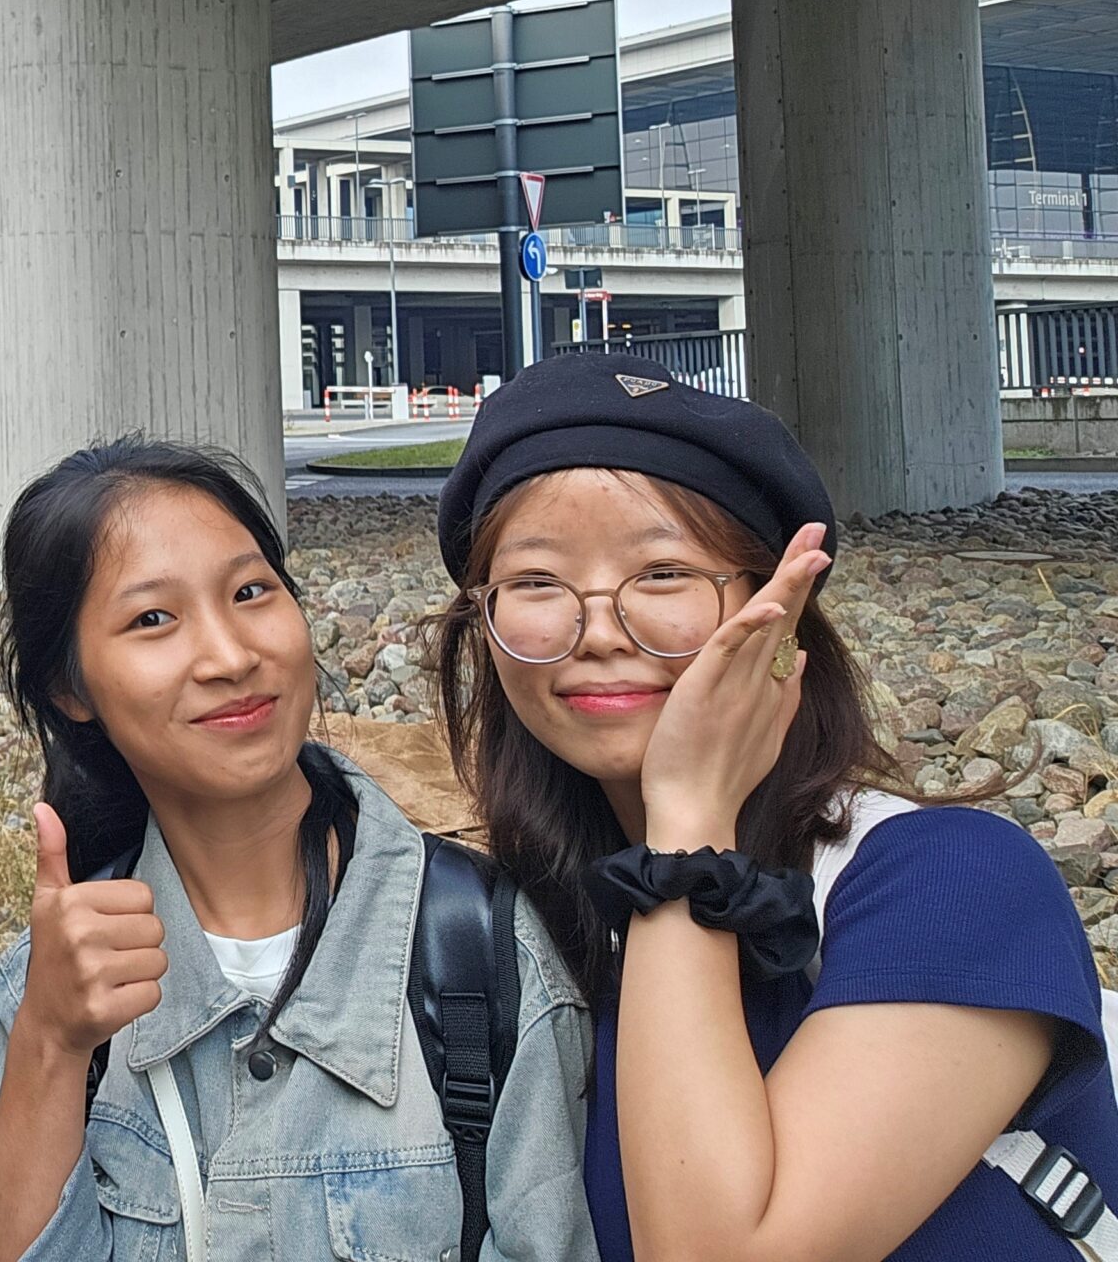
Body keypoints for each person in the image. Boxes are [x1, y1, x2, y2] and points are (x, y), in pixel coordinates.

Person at [431, 352, 1118, 1260]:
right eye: (536, 584)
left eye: (662, 574)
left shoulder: (957, 883)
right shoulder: (528, 927)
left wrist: (688, 823)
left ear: (779, 614)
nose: (596, 631)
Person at [0, 437, 595, 1262]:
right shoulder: (45, 993)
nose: (232, 656)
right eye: (153, 619)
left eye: (250, 591)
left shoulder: (481, 952)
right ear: (70, 688)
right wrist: (52, 1046)